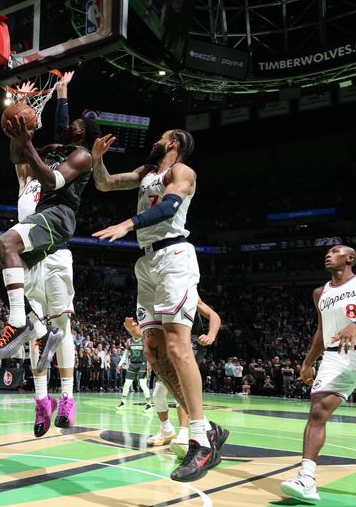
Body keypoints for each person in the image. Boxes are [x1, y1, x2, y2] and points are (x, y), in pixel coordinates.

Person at [92, 129, 228, 481]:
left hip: (174, 256)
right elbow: (105, 183)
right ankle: (207, 427)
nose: (155, 140)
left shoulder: (182, 173)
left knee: (177, 346)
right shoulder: (144, 173)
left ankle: (200, 441)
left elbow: (169, 206)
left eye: (162, 137)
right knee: (152, 350)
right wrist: (96, 157)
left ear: (175, 144)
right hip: (146, 263)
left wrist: (128, 223)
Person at [0, 75, 84, 436]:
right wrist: (15, 101)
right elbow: (18, 149)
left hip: (56, 254)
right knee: (36, 333)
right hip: (29, 258)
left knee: (63, 329)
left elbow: (62, 135)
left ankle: (68, 398)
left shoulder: (55, 178)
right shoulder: (23, 179)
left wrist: (61, 94)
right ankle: (42, 401)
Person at [0, 76, 100, 364]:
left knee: (5, 242)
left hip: (59, 216)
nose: (67, 125)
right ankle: (42, 329)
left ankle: (17, 322)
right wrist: (18, 131)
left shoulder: (82, 156)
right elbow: (18, 157)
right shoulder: (53, 150)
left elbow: (51, 182)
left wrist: (28, 143)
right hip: (43, 217)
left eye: (73, 124)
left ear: (82, 132)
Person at [281, 245, 356, 502]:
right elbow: (322, 332)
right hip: (334, 357)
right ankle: (307, 479)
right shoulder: (319, 293)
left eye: (335, 251)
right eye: (328, 252)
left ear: (350, 258)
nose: (328, 254)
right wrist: (307, 362)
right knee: (317, 411)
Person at [145, 297, 222, 459]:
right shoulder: (157, 293)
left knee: (182, 383)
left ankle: (184, 435)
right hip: (172, 343)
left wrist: (211, 335)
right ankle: (166, 429)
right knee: (158, 393)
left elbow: (214, 316)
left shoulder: (189, 291)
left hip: (192, 342)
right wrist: (133, 331)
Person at [116, 317, 152, 412]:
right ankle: (123, 402)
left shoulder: (144, 340)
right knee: (127, 384)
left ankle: (149, 404)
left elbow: (149, 353)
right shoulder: (129, 341)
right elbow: (125, 354)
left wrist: (149, 363)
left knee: (143, 384)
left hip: (142, 364)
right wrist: (120, 364)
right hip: (132, 364)